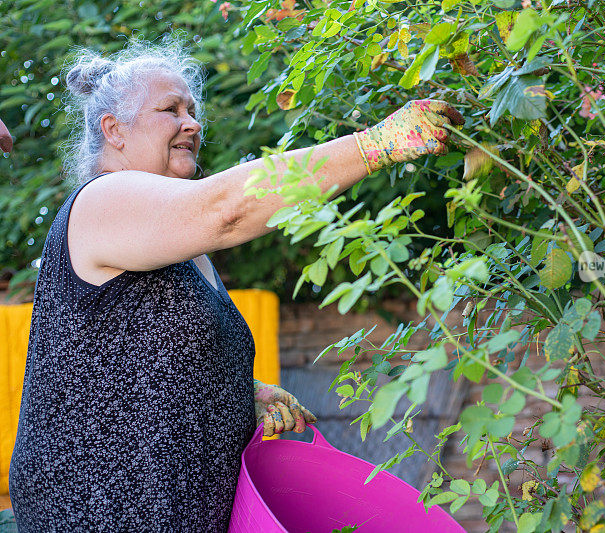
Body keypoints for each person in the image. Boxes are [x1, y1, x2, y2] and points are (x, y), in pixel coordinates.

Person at [8, 38, 463, 532]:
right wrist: (373, 145)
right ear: (113, 130)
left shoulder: (177, 247)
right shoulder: (102, 201)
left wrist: (237, 390)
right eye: (170, 110)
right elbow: (225, 210)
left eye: (192, 110)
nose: (192, 124)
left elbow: (134, 365)